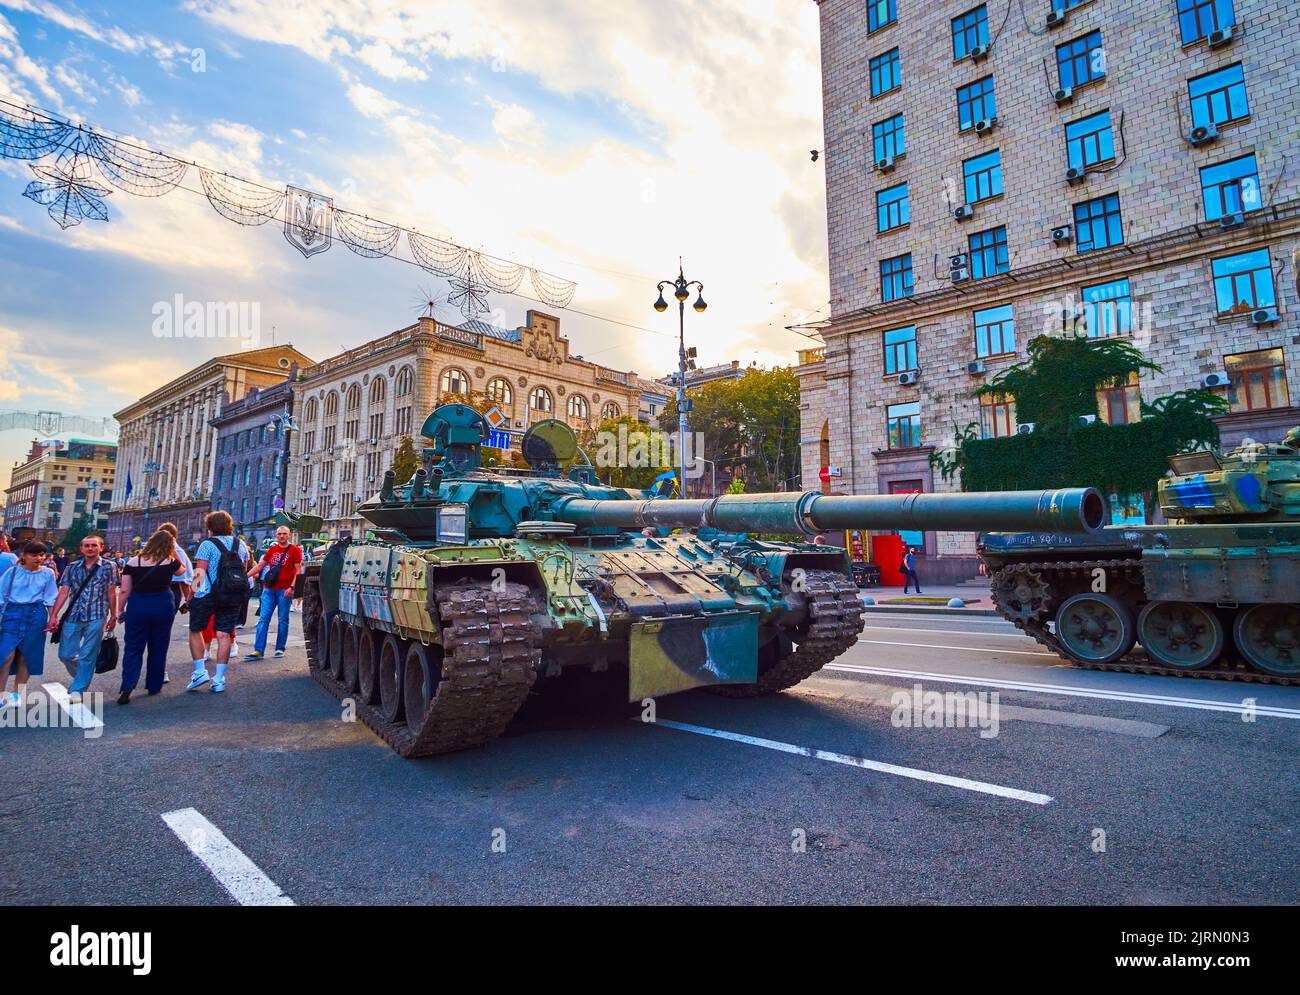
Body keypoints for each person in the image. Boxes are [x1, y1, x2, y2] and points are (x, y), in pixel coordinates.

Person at [185, 511, 251, 694]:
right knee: (224, 634)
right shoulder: (240, 544)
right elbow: (243, 570)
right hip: (232, 594)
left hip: (208, 594)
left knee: (196, 629)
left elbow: (200, 573)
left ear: (210, 527)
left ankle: (200, 672)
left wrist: (191, 593)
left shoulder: (207, 544)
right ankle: (219, 679)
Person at [117, 529, 184, 703]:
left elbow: (124, 590)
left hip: (138, 605)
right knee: (159, 647)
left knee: (133, 648)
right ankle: (154, 685)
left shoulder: (133, 561)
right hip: (162, 604)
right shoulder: (169, 561)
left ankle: (127, 687)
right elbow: (182, 571)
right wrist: (174, 551)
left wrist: (119, 610)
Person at [49, 535, 118, 703]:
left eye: (94, 545)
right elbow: (64, 591)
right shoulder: (72, 567)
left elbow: (111, 592)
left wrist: (114, 615)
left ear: (101, 547)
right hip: (74, 615)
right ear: (81, 548)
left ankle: (78, 689)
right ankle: (82, 675)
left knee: (88, 654)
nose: (90, 548)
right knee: (66, 654)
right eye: (86, 545)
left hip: (97, 615)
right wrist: (54, 615)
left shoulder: (110, 566)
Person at [0, 541, 59, 709]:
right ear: (24, 556)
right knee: (6, 656)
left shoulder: (47, 573)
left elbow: (50, 596)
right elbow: (1, 594)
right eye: (34, 555)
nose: (38, 558)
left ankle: (17, 694)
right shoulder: (12, 572)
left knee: (27, 655)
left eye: (41, 555)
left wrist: (52, 617)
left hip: (36, 614)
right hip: (12, 614)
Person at [246, 526, 301, 659]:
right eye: (279, 534)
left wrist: (292, 587)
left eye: (284, 534)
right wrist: (245, 576)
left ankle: (280, 648)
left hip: (284, 590)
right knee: (263, 619)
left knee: (283, 620)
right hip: (269, 589)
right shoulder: (272, 549)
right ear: (276, 535)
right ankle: (258, 650)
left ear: (289, 535)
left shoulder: (294, 550)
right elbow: (260, 566)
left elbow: (298, 571)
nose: (281, 536)